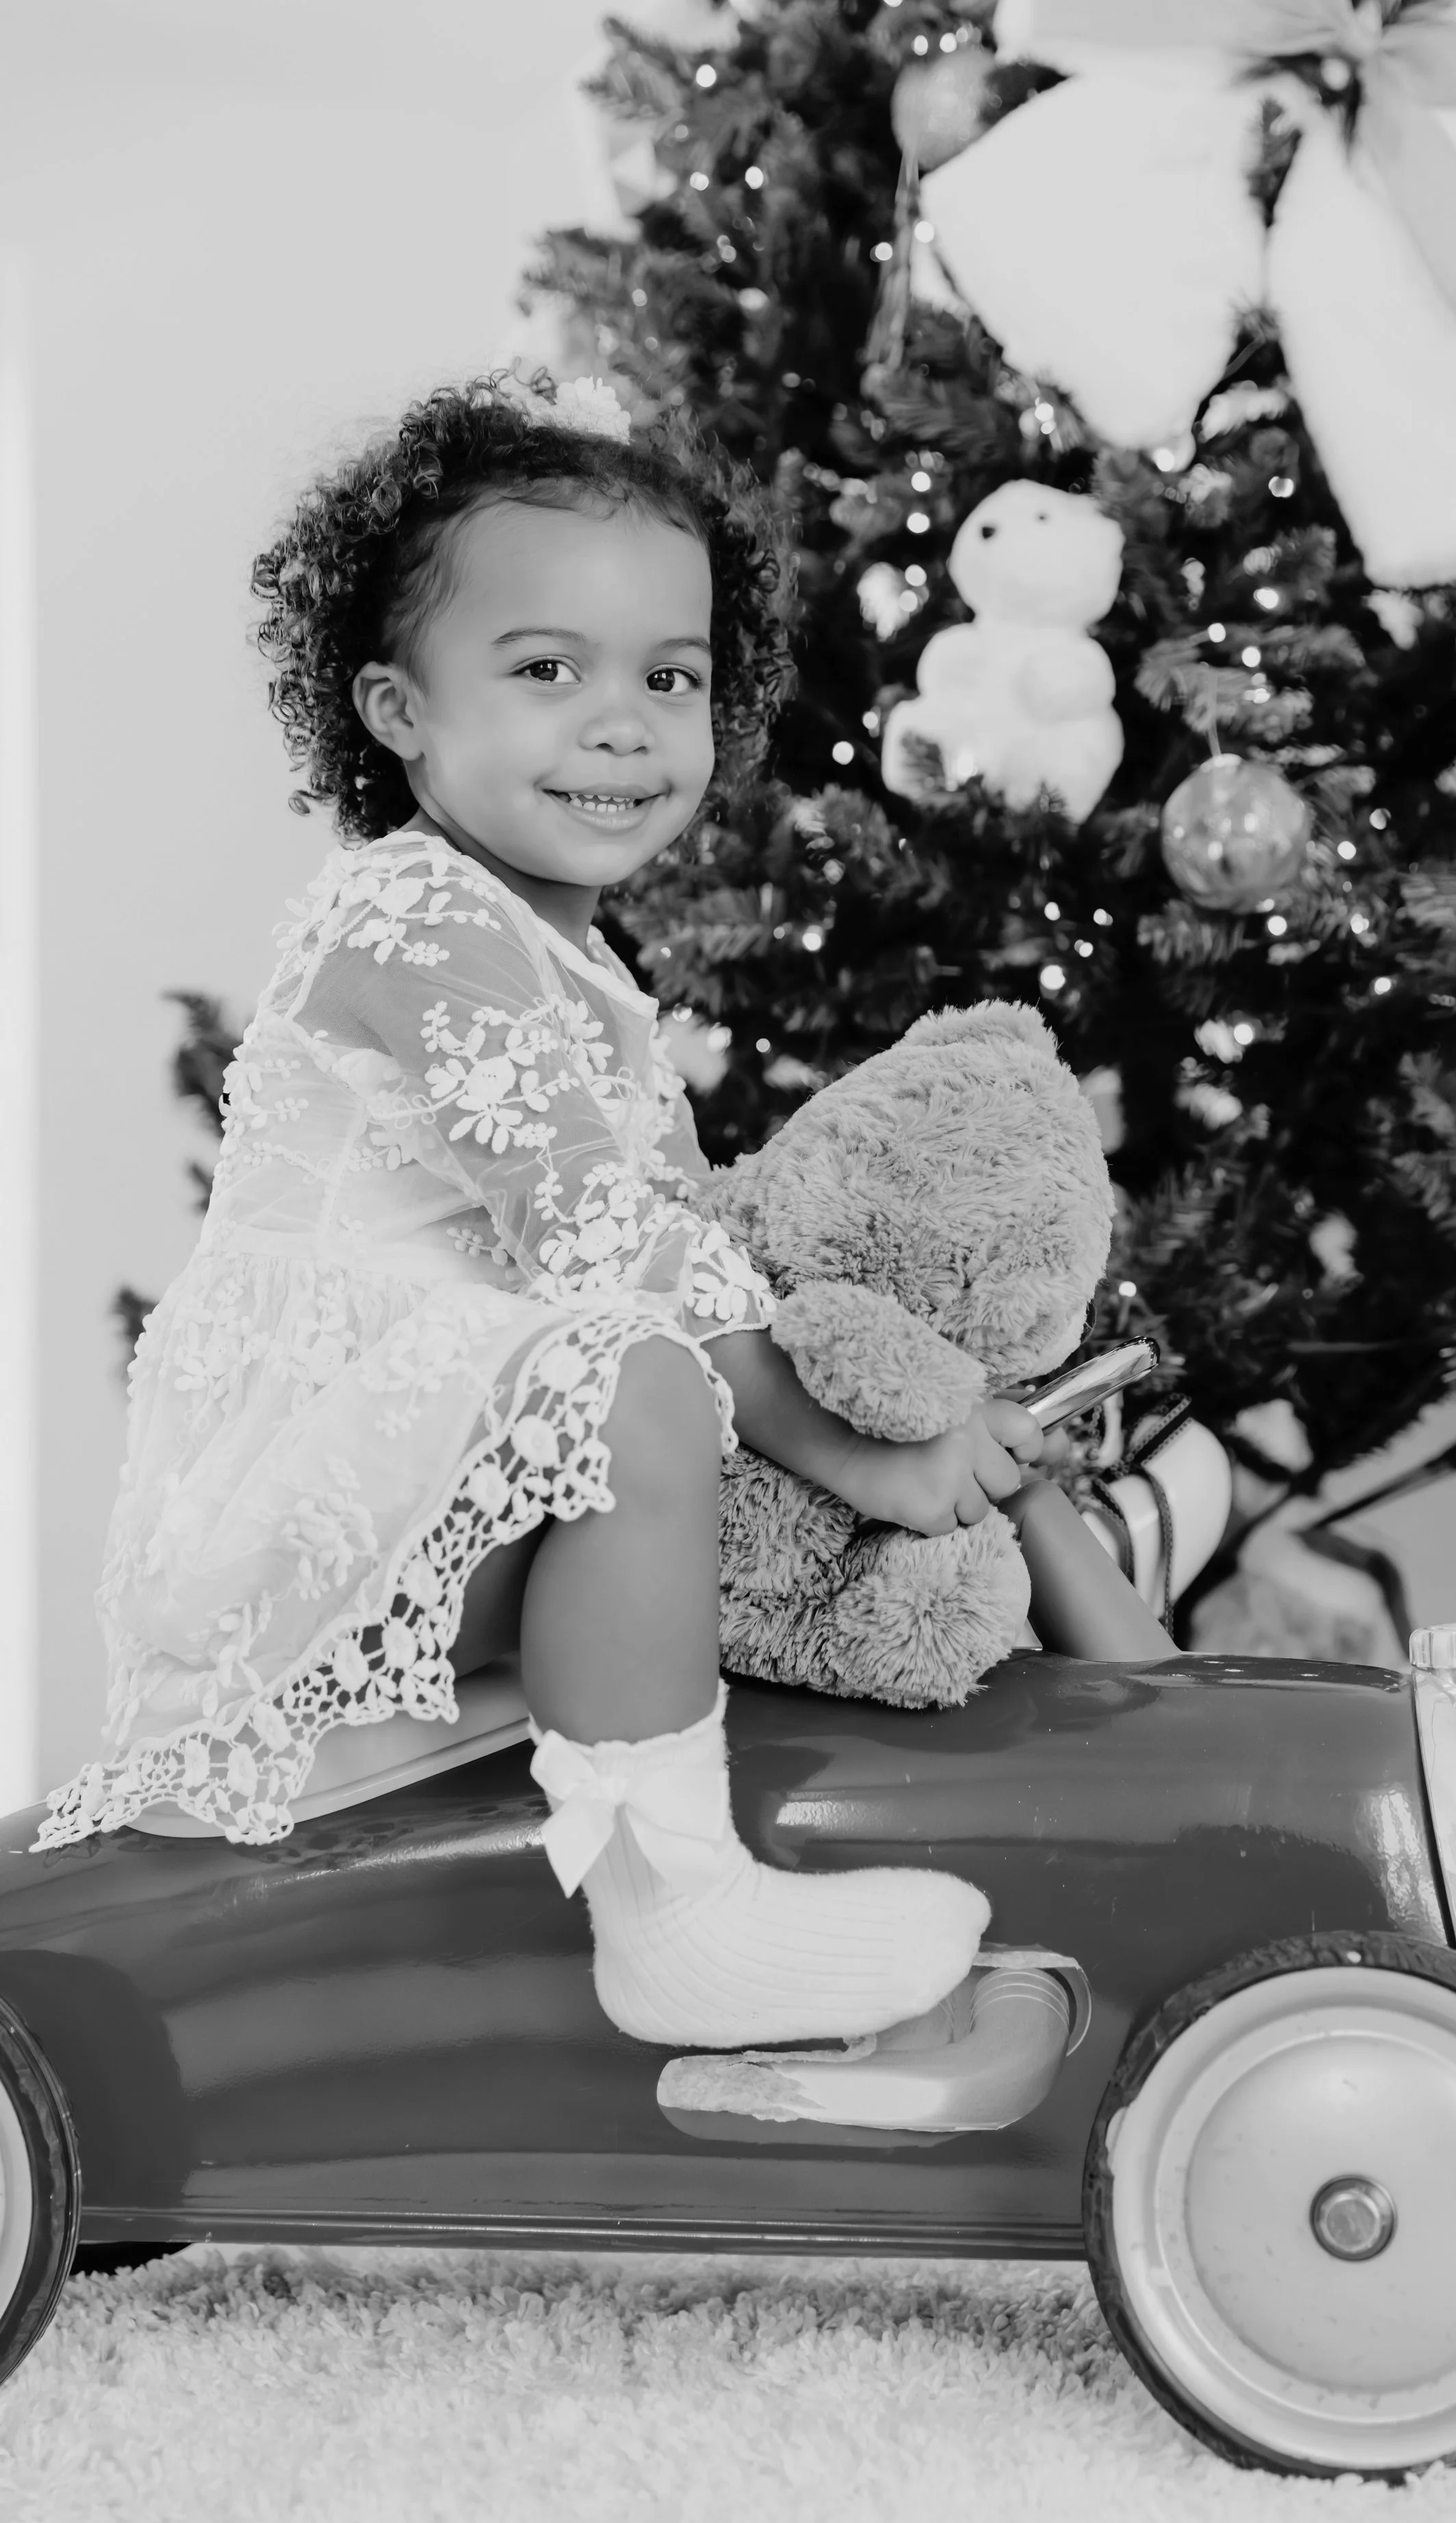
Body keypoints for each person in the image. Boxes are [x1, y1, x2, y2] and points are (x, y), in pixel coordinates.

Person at [34, 373, 1045, 2049]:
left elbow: (680, 1232)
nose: (623, 723)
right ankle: (678, 1914)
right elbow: (608, 1244)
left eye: (671, 676)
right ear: (395, 709)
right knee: (638, 1376)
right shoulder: (407, 919)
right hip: (306, 1523)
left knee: (688, 1399)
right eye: (544, 670)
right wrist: (856, 1447)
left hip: (447, 1477)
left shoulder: (576, 957)